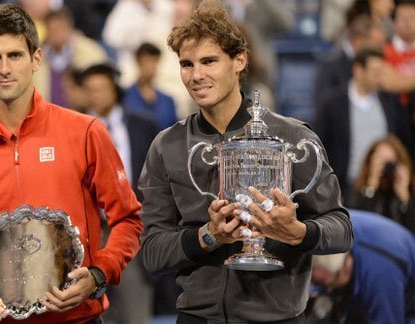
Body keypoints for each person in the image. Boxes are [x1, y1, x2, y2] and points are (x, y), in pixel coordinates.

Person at [0, 4, 143, 324]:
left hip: (79, 318)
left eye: (15, 55)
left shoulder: (85, 132)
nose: (4, 68)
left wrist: (99, 272)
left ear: (36, 59)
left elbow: (128, 218)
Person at [138, 1, 353, 323]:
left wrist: (296, 232)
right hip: (197, 316)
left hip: (277, 317)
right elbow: (153, 253)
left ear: (239, 60)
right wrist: (209, 235)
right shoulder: (167, 146)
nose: (196, 75)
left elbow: (342, 230)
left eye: (209, 61)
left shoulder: (292, 137)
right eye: (187, 64)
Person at [80, 63, 158, 324]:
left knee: (134, 312)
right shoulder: (73, 129)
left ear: (115, 90)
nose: (96, 95)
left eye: (101, 89)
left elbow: (156, 178)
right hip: (86, 232)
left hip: (128, 228)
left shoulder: (143, 125)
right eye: (90, 90)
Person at [315, 47, 415, 200]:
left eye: (382, 72)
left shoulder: (391, 102)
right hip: (345, 188)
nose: (379, 77)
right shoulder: (332, 104)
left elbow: (404, 142)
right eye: (375, 71)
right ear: (358, 70)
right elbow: (320, 148)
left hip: (386, 189)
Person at [308, 209, 415, 324]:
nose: (328, 290)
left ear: (345, 267)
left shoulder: (380, 276)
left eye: (329, 285)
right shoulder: (332, 232)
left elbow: (387, 319)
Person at [348, 134, 415, 232]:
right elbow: (357, 225)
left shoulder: (409, 193)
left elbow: (411, 232)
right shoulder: (359, 191)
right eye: (380, 160)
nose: (386, 167)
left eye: (390, 161)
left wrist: (404, 197)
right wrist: (371, 185)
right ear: (370, 162)